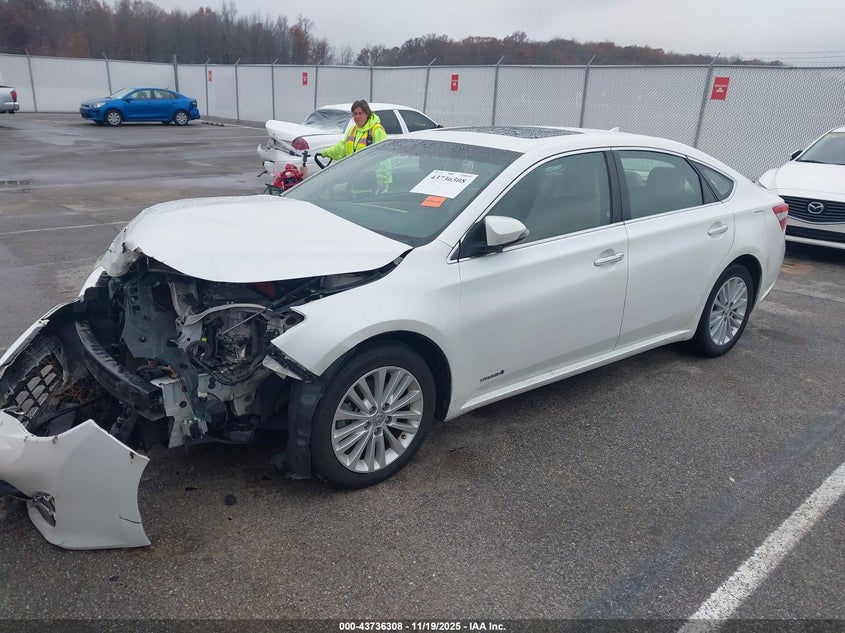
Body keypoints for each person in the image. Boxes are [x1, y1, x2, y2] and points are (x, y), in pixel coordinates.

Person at [316, 99, 391, 192]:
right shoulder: (353, 130)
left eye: (360, 113)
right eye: (355, 114)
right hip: (355, 180)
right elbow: (341, 148)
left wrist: (383, 180)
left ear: (367, 114)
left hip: (371, 182)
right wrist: (324, 153)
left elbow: (383, 157)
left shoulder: (376, 130)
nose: (357, 117)